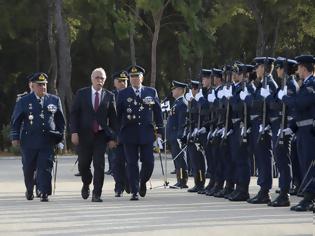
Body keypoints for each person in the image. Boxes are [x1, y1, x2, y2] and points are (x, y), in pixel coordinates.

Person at [10, 72, 65, 202]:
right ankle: (30, 189)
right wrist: (15, 137)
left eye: (45, 85)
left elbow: (61, 122)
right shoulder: (24, 101)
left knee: (45, 166)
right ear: (32, 86)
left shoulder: (54, 100)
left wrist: (60, 139)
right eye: (40, 85)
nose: (43, 87)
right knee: (28, 168)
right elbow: (16, 121)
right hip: (29, 141)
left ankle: (43, 191)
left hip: (47, 140)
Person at [70, 67, 118, 202]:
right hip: (84, 135)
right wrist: (74, 132)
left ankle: (97, 193)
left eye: (102, 78)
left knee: (99, 164)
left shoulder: (109, 96)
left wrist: (113, 137)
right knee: (83, 164)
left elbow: (113, 119)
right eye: (97, 78)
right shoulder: (81, 94)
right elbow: (74, 114)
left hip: (100, 136)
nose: (99, 80)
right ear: (92, 79)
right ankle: (86, 183)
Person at [116, 65, 163, 201]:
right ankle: (135, 190)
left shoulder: (151, 92)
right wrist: (117, 133)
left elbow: (158, 113)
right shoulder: (123, 94)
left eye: (137, 76)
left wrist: (159, 132)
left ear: (142, 78)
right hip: (129, 133)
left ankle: (142, 182)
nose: (134, 79)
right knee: (132, 163)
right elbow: (118, 116)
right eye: (132, 77)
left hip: (146, 133)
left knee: (149, 162)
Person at [278, 55, 315, 211]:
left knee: (309, 165)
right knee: (304, 164)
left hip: (309, 132)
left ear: (304, 68)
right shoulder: (305, 84)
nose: (297, 70)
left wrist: (284, 97)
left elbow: (300, 104)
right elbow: (300, 113)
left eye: (299, 67)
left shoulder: (311, 84)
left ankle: (309, 199)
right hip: (302, 131)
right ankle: (308, 196)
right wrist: (292, 127)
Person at [166, 80, 189, 189]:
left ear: (180, 90)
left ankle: (183, 181)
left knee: (180, 159)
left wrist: (180, 136)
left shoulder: (182, 104)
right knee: (176, 159)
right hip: (172, 136)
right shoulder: (176, 103)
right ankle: (179, 180)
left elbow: (182, 122)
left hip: (177, 136)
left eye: (174, 89)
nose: (173, 91)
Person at [111, 70, 130, 197]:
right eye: (120, 81)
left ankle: (130, 183)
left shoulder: (132, 94)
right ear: (114, 83)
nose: (122, 83)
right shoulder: (110, 95)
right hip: (115, 134)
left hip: (130, 134)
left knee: (131, 161)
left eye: (125, 81)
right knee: (117, 162)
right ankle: (119, 186)